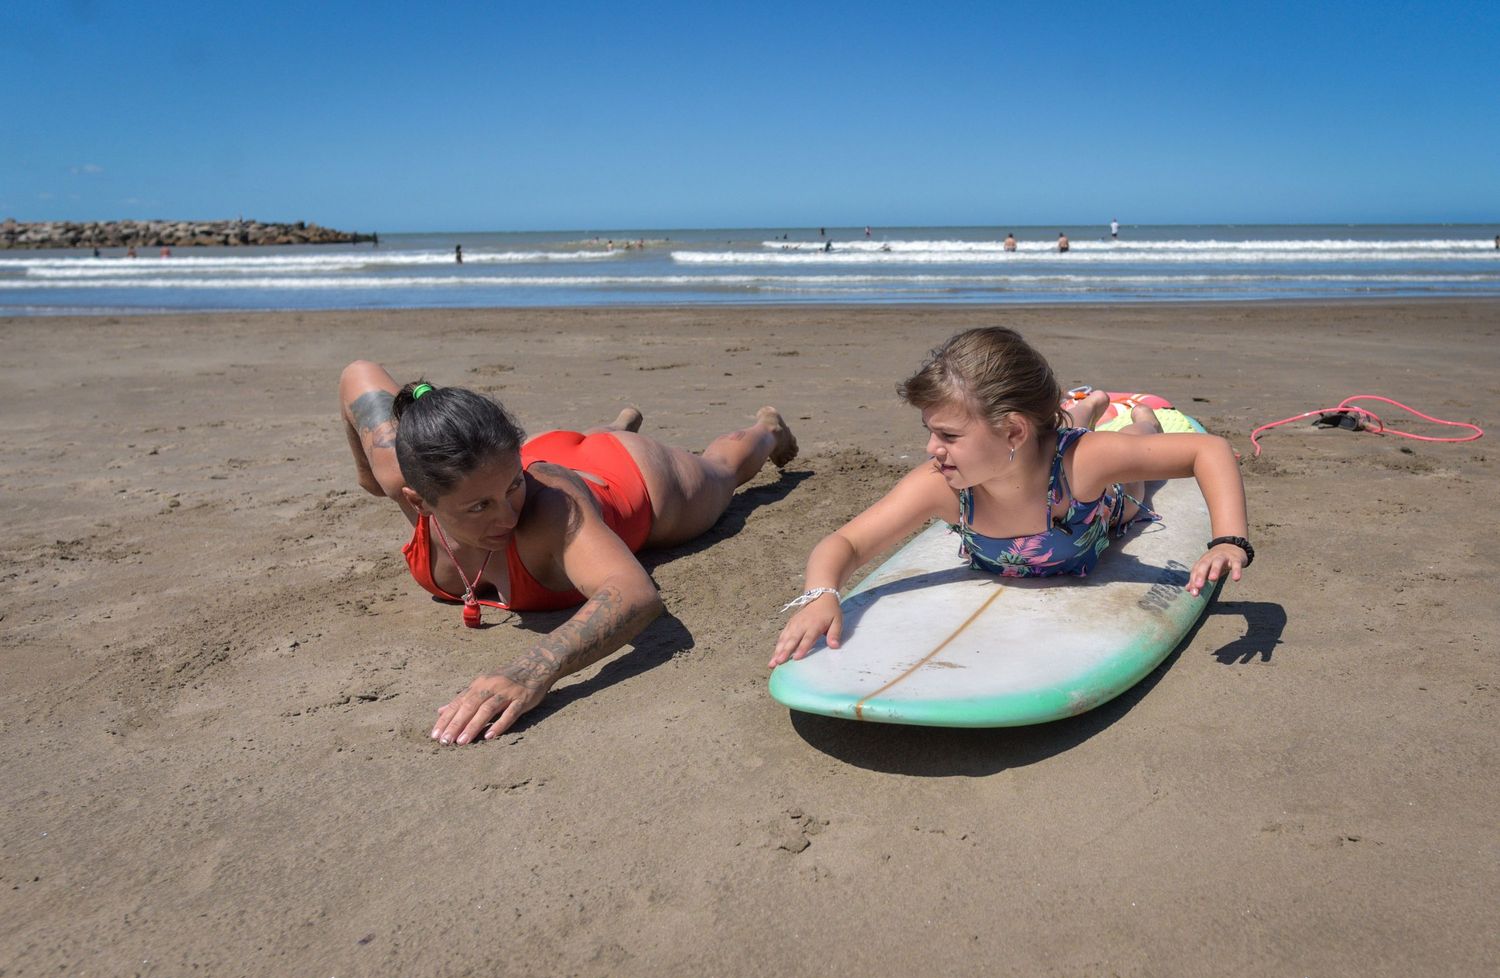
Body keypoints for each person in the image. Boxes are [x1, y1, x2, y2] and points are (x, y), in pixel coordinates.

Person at [339, 361, 799, 744]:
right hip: (548, 454)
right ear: (419, 501)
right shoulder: (401, 476)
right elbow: (355, 374)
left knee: (721, 471)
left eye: (513, 488)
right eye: (480, 506)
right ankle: (609, 426)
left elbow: (634, 593)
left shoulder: (549, 508)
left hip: (631, 477)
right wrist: (368, 478)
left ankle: (767, 431)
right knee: (550, 465)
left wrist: (531, 670)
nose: (507, 516)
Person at [770, 326, 1251, 667]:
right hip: (1033, 449)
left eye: (948, 436)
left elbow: (1207, 452)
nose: (930, 449)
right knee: (1071, 432)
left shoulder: (1084, 466)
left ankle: (1127, 416)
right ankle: (1082, 407)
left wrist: (1229, 540)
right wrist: (821, 594)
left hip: (1106, 505)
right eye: (929, 432)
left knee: (1135, 456)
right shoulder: (939, 486)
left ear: (1012, 429)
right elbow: (846, 544)